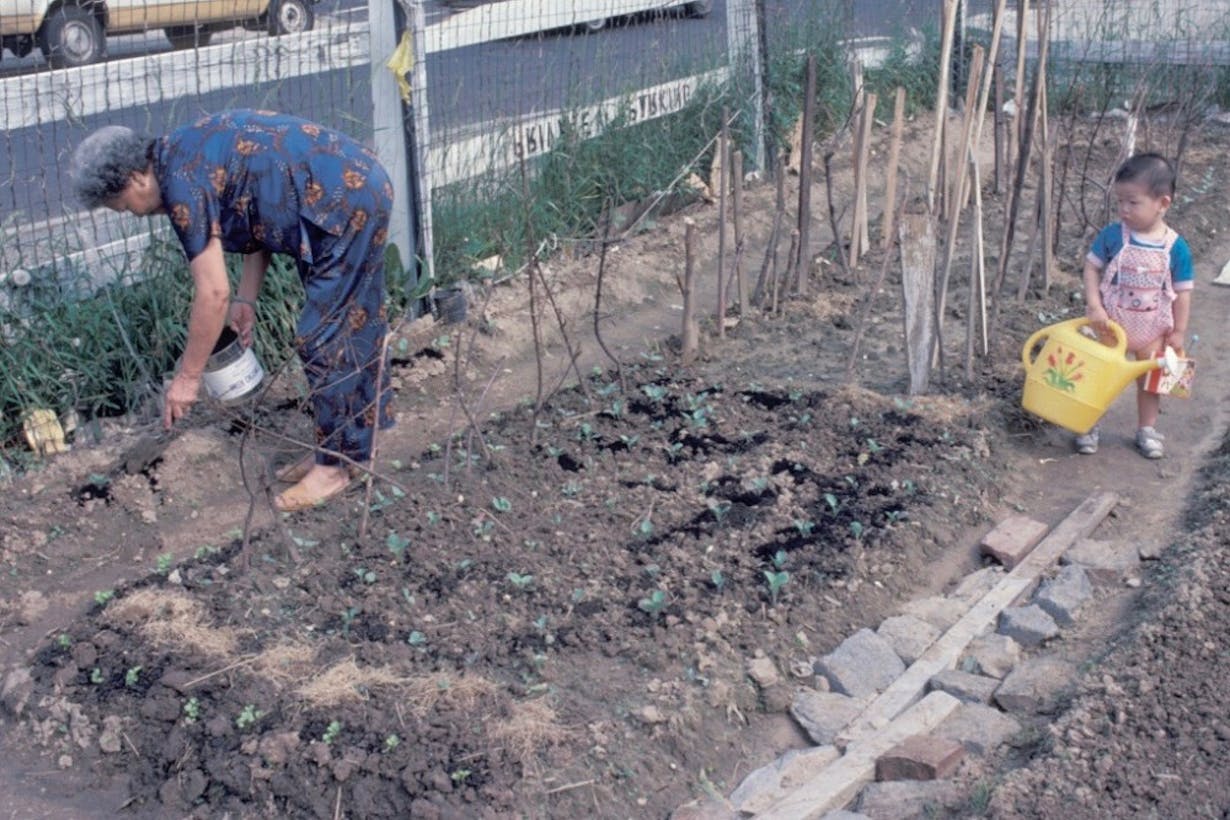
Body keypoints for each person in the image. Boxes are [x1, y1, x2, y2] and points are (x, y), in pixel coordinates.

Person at [70, 110, 396, 511]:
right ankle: (347, 447)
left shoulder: (181, 185)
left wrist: (188, 378)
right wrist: (246, 299)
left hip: (342, 200)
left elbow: (212, 293)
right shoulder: (183, 151)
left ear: (136, 178)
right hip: (340, 190)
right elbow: (257, 209)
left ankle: (335, 467)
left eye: (122, 206)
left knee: (324, 338)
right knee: (350, 322)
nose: (133, 214)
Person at [1076, 152, 1193, 459]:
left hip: (1152, 329)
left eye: (1133, 202)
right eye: (1120, 202)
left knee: (1150, 381)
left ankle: (1147, 429)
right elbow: (1091, 268)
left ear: (1162, 203)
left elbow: (1183, 293)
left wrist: (1179, 331)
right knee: (1102, 374)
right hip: (1110, 324)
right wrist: (1094, 305)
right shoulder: (1113, 236)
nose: (1124, 209)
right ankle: (1088, 422)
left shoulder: (1176, 247)